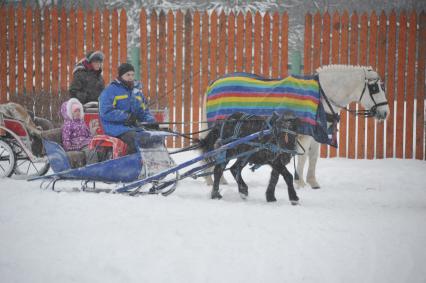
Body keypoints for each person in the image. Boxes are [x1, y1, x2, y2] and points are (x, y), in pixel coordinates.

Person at [99, 63, 157, 154]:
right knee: (135, 139)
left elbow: (144, 111)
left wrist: (151, 122)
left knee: (154, 137)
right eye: (127, 75)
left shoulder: (137, 93)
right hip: (116, 128)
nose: (131, 77)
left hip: (133, 127)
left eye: (132, 75)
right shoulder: (110, 91)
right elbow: (106, 112)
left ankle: (156, 163)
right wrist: (126, 117)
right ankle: (132, 164)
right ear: (121, 76)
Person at [61, 98, 97, 164]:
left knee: (99, 147)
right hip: (77, 145)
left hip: (85, 142)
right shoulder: (68, 124)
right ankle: (92, 168)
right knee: (90, 151)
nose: (78, 113)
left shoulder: (82, 122)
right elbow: (66, 139)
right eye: (75, 111)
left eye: (79, 111)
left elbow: (88, 134)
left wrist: (92, 138)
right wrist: (69, 147)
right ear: (71, 112)